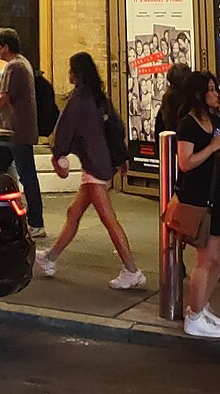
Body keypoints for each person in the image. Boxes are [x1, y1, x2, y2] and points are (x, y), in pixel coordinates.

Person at [39, 52, 146, 289]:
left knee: (109, 220)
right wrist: (121, 158)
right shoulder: (100, 98)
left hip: (94, 166)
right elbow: (116, 127)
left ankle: (132, 269)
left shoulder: (78, 100)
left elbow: (63, 132)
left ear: (75, 73)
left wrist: (58, 156)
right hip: (104, 161)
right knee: (73, 212)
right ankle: (50, 258)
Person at [174, 71, 220, 339]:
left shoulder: (213, 120)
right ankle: (194, 314)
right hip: (197, 195)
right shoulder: (187, 125)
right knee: (206, 258)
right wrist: (212, 148)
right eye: (211, 89)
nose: (215, 93)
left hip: (216, 193)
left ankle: (202, 306)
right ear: (199, 93)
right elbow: (185, 163)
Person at [0, 27, 46, 236]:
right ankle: (17, 215)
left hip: (14, 131)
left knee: (24, 175)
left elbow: (3, 98)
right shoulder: (23, 63)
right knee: (16, 174)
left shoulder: (14, 67)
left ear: (6, 47)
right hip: (19, 130)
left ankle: (35, 221)